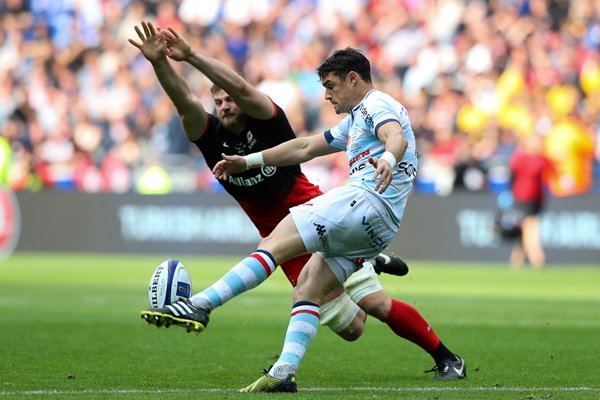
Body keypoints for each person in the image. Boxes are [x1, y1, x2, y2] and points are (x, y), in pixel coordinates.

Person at [130, 23, 466, 389]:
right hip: (371, 225)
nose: (326, 96)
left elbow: (395, 135)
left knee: (272, 247)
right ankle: (283, 374)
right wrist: (247, 162)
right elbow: (306, 147)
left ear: (353, 79)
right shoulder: (352, 122)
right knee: (326, 303)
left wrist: (387, 157)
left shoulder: (375, 104)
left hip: (351, 206)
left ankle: (201, 304)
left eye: (330, 87)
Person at [508, 134, 555, 268]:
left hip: (537, 198)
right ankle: (538, 258)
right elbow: (514, 168)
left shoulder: (541, 158)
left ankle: (516, 260)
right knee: (530, 226)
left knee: (525, 228)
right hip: (523, 197)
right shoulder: (522, 158)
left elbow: (552, 170)